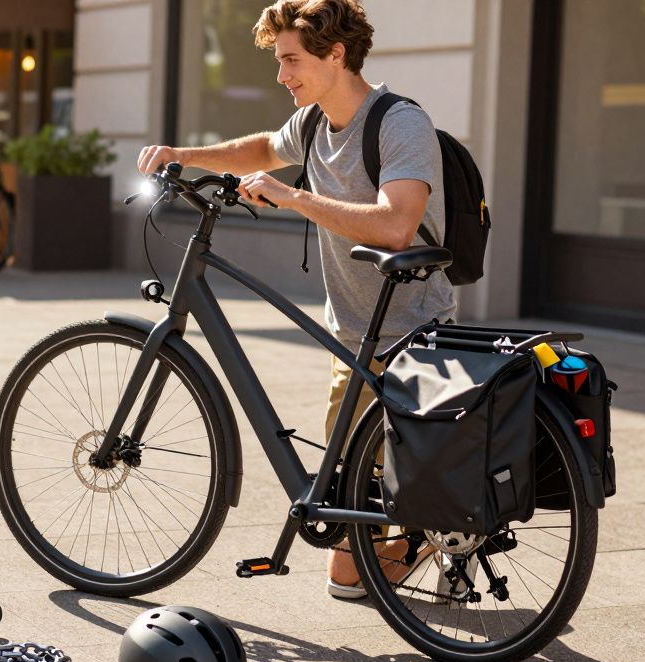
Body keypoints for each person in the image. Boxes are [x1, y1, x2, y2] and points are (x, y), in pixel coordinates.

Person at [136, 0, 455, 598]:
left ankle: (420, 539)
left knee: (351, 560)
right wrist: (185, 155)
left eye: (291, 60)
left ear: (337, 54)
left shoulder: (399, 123)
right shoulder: (313, 122)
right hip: (354, 333)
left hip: (409, 334)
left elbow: (396, 226)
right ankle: (407, 534)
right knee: (346, 548)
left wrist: (296, 199)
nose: (281, 75)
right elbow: (258, 150)